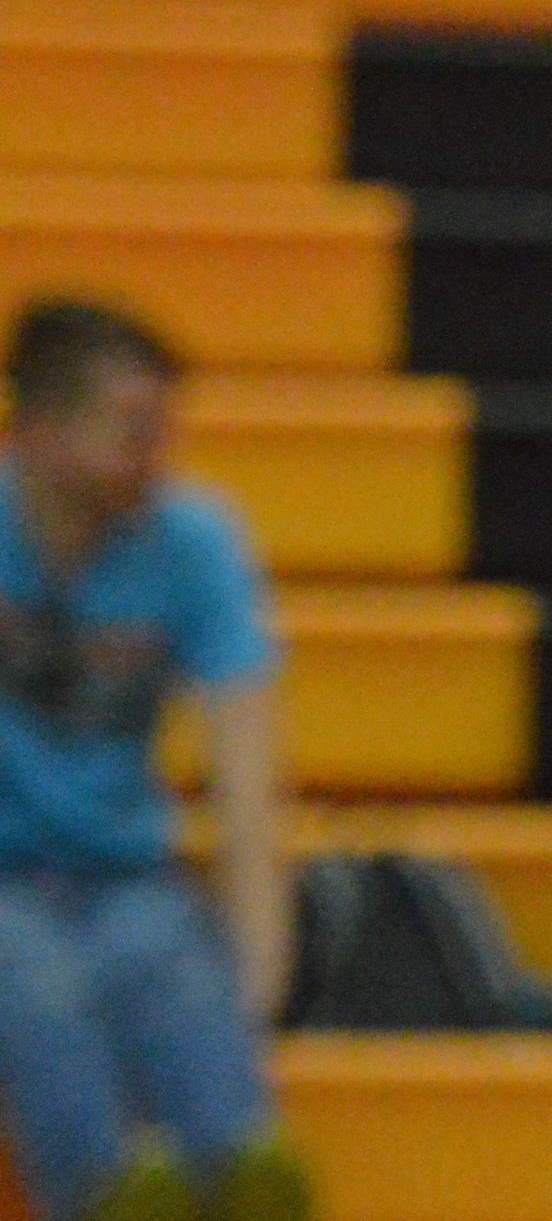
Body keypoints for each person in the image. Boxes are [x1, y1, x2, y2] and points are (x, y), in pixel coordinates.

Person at [0, 304, 302, 1221]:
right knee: (38, 995)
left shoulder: (193, 537)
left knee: (226, 1109)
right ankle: (109, 1195)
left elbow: (248, 764)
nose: (157, 454)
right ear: (39, 430)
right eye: (132, 430)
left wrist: (260, 970)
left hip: (129, 878)